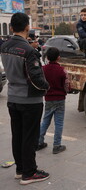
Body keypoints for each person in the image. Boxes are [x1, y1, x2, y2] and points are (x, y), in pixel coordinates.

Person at [0, 12, 50, 185]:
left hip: (12, 98)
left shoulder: (4, 47)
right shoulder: (29, 51)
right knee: (29, 137)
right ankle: (29, 173)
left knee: (18, 135)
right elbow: (36, 79)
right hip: (29, 101)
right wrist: (47, 86)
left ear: (12, 28)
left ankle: (20, 169)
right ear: (27, 28)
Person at [37, 47, 70, 154]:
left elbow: (41, 83)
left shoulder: (43, 69)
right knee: (59, 123)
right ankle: (56, 145)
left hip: (48, 99)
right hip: (60, 99)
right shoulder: (62, 71)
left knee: (45, 121)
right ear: (58, 58)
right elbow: (67, 86)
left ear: (47, 57)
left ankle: (39, 142)